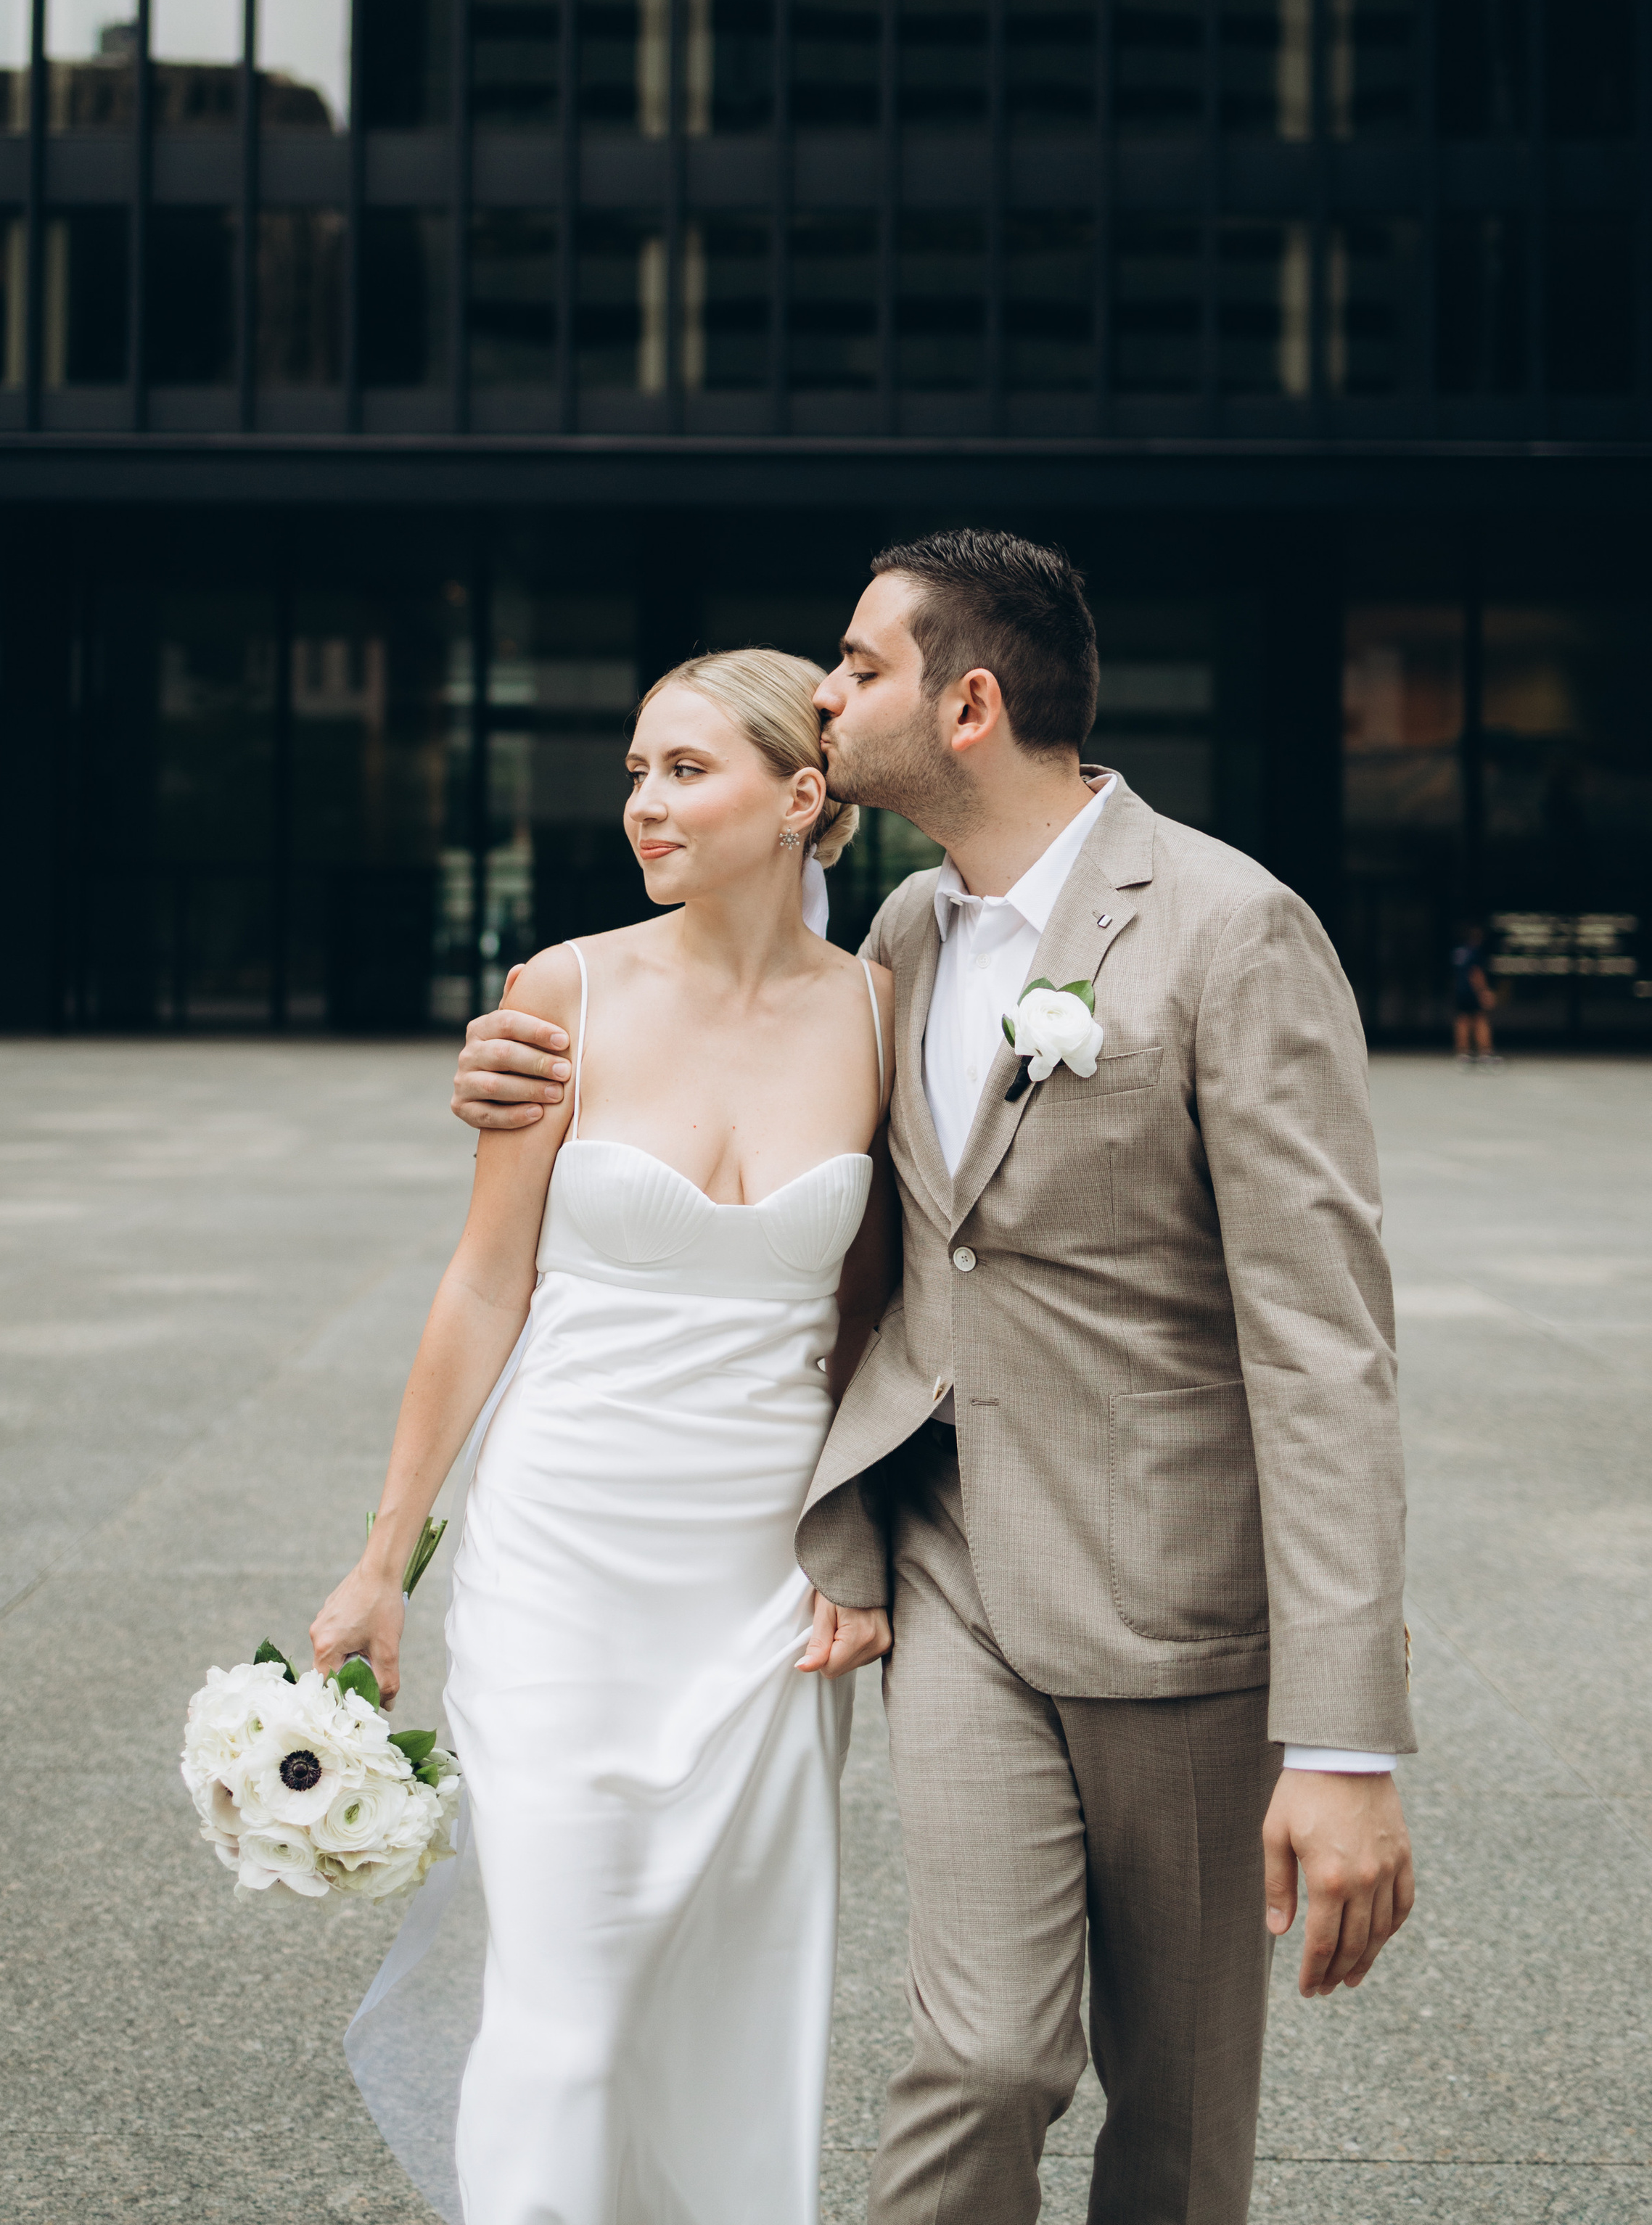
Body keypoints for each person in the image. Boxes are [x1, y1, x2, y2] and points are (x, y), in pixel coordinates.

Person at [453, 528, 1417, 2225]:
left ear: (967, 703)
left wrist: (1342, 1739)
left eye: (858, 663)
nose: (826, 693)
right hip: (955, 1575)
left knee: (1177, 2114)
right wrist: (524, 1054)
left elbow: (1321, 1342)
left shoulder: (1226, 926)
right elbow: (867, 1236)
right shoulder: (895, 934)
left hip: (1179, 1602)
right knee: (975, 2059)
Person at [311, 648, 897, 2225]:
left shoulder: (881, 1016)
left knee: (735, 2010)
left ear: (800, 795)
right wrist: (386, 1565)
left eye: (686, 771)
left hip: (765, 1586)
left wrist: (871, 1552)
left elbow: (896, 1319)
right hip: (562, 1554)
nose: (643, 804)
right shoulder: (556, 994)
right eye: (635, 770)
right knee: (564, 2009)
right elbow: (483, 1281)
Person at [1450, 918, 1502, 1068]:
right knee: (1480, 1020)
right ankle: (1485, 1054)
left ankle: (1463, 1055)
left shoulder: (1458, 952)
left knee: (1462, 1021)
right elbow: (1476, 973)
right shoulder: (1476, 952)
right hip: (1473, 992)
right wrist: (1484, 992)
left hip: (1460, 991)